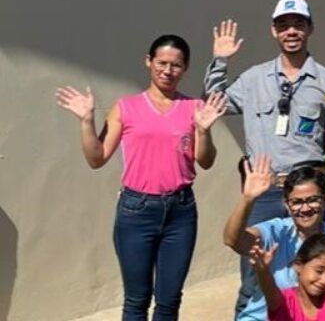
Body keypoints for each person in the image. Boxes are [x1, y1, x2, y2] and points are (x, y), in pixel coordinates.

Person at [56, 35, 225, 321]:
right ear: (148, 61)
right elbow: (96, 158)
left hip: (180, 213)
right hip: (136, 212)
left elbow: (206, 161)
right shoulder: (125, 107)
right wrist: (86, 122)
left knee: (169, 300)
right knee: (137, 300)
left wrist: (204, 130)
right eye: (161, 63)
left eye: (176, 65)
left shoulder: (194, 108)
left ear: (185, 69)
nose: (168, 70)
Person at [204, 0, 325, 314]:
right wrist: (220, 61)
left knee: (315, 271)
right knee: (256, 271)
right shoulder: (253, 79)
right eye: (283, 25)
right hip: (264, 192)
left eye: (298, 24)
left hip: (310, 193)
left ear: (310, 28)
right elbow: (214, 104)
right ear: (274, 31)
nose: (291, 31)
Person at [224, 156, 325, 320]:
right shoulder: (275, 231)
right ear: (286, 204)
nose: (305, 208)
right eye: (297, 202)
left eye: (312, 200)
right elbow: (232, 240)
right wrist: (248, 199)